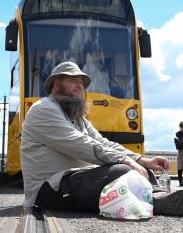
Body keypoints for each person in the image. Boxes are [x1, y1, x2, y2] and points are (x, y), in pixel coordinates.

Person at [21, 61, 183, 217]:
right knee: (123, 171)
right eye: (73, 80)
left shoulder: (78, 118)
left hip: (74, 181)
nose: (80, 86)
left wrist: (142, 160)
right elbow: (80, 143)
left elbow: (103, 143)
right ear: (56, 84)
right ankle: (157, 202)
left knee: (141, 169)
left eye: (81, 82)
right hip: (50, 189)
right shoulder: (43, 109)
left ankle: (158, 196)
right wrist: (125, 160)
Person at [174, 121, 183, 186]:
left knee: (180, 167)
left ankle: (180, 182)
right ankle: (180, 182)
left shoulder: (177, 134)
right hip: (180, 151)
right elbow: (178, 145)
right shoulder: (177, 134)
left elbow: (178, 144)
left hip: (180, 152)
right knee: (180, 167)